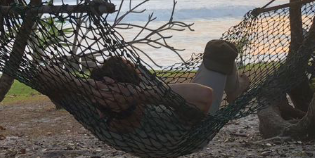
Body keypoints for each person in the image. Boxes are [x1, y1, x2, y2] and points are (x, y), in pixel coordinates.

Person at [75, 39, 251, 134]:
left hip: (157, 99)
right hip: (200, 121)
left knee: (219, 49)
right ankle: (235, 90)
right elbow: (204, 95)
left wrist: (88, 87)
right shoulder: (155, 113)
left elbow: (55, 81)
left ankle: (235, 88)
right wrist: (138, 93)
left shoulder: (97, 108)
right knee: (219, 50)